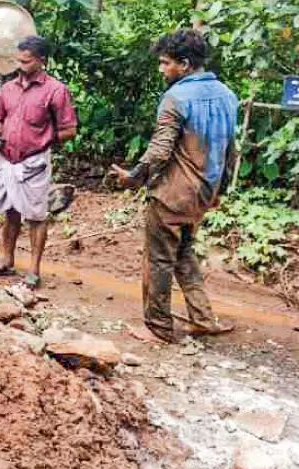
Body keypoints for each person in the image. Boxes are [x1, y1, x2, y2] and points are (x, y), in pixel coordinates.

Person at [111, 29, 237, 343]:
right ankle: (202, 318)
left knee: (158, 259)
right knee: (183, 253)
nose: (161, 69)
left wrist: (134, 176)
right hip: (203, 194)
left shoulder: (175, 97)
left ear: (184, 64)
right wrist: (218, 192)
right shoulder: (227, 94)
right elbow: (230, 150)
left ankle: (158, 327)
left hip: (172, 195)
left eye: (165, 63)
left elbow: (159, 150)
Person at [0, 35, 78, 288]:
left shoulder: (55, 90)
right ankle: (6, 261)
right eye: (19, 60)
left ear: (41, 60)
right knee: (10, 211)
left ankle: (34, 270)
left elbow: (69, 130)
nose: (21, 66)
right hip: (6, 158)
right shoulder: (7, 89)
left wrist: (42, 139)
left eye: (27, 61)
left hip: (34, 161)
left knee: (36, 216)